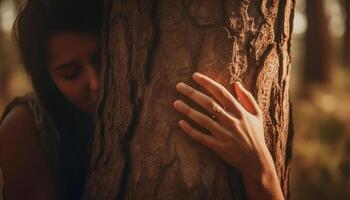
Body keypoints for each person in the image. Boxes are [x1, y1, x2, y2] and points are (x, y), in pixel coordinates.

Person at [0, 0, 284, 200]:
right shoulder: (25, 130)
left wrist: (259, 167)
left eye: (104, 59)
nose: (95, 83)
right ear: (46, 79)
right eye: (71, 73)